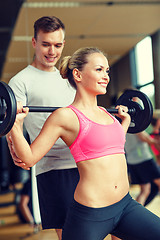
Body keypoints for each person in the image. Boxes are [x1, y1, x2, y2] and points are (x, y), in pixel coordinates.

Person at [9, 47, 160, 240]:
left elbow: (112, 146)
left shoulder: (108, 114)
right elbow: (29, 158)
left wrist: (127, 122)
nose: (106, 76)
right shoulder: (65, 116)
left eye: (107, 71)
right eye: (99, 70)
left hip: (125, 206)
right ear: (78, 75)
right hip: (91, 214)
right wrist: (14, 124)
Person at [6, 16, 79, 240]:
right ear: (34, 42)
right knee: (69, 233)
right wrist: (15, 148)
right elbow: (12, 124)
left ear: (64, 44)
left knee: (109, 226)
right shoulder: (21, 81)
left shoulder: (69, 78)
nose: (52, 51)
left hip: (84, 162)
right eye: (46, 44)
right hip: (54, 167)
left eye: (57, 45)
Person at [125, 131, 160, 206]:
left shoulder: (123, 125)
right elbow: (144, 137)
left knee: (145, 190)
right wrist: (154, 141)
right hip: (143, 158)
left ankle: (136, 213)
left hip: (132, 160)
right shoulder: (135, 125)